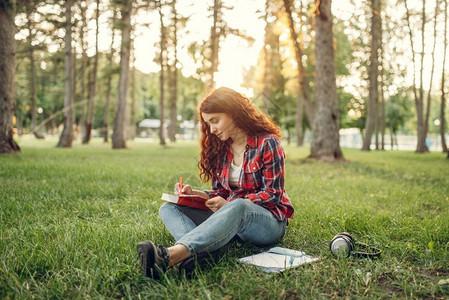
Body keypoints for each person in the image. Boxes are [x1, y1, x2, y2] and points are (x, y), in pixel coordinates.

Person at [136, 87, 294, 278]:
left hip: (267, 222)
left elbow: (273, 194)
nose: (212, 129)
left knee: (239, 206)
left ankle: (170, 256)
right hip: (230, 217)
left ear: (234, 113)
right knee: (169, 208)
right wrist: (196, 194)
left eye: (215, 121)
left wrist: (229, 204)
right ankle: (202, 254)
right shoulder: (221, 147)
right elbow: (220, 191)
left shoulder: (268, 143)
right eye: (208, 123)